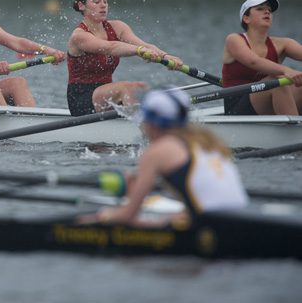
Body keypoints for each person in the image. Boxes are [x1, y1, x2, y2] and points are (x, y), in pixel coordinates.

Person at [77, 89, 248, 225]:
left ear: (153, 124)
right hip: (240, 218)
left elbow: (127, 215)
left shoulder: (157, 152)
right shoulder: (208, 141)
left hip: (213, 227)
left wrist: (100, 217)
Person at [67, 0, 184, 116]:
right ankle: (144, 128)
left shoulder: (118, 27)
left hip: (108, 94)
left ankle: (153, 122)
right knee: (128, 88)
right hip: (82, 98)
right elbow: (111, 48)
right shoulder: (79, 36)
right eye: (96, 1)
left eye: (105, 1)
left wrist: (165, 56)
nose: (103, 5)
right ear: (82, 6)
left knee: (140, 87)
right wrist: (139, 51)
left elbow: (143, 45)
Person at [222, 0, 302, 115]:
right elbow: (253, 61)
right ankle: (295, 132)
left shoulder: (283, 44)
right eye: (260, 9)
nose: (267, 11)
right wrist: (286, 70)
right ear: (246, 18)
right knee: (276, 81)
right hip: (236, 105)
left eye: (269, 10)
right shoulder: (234, 40)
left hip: (266, 101)